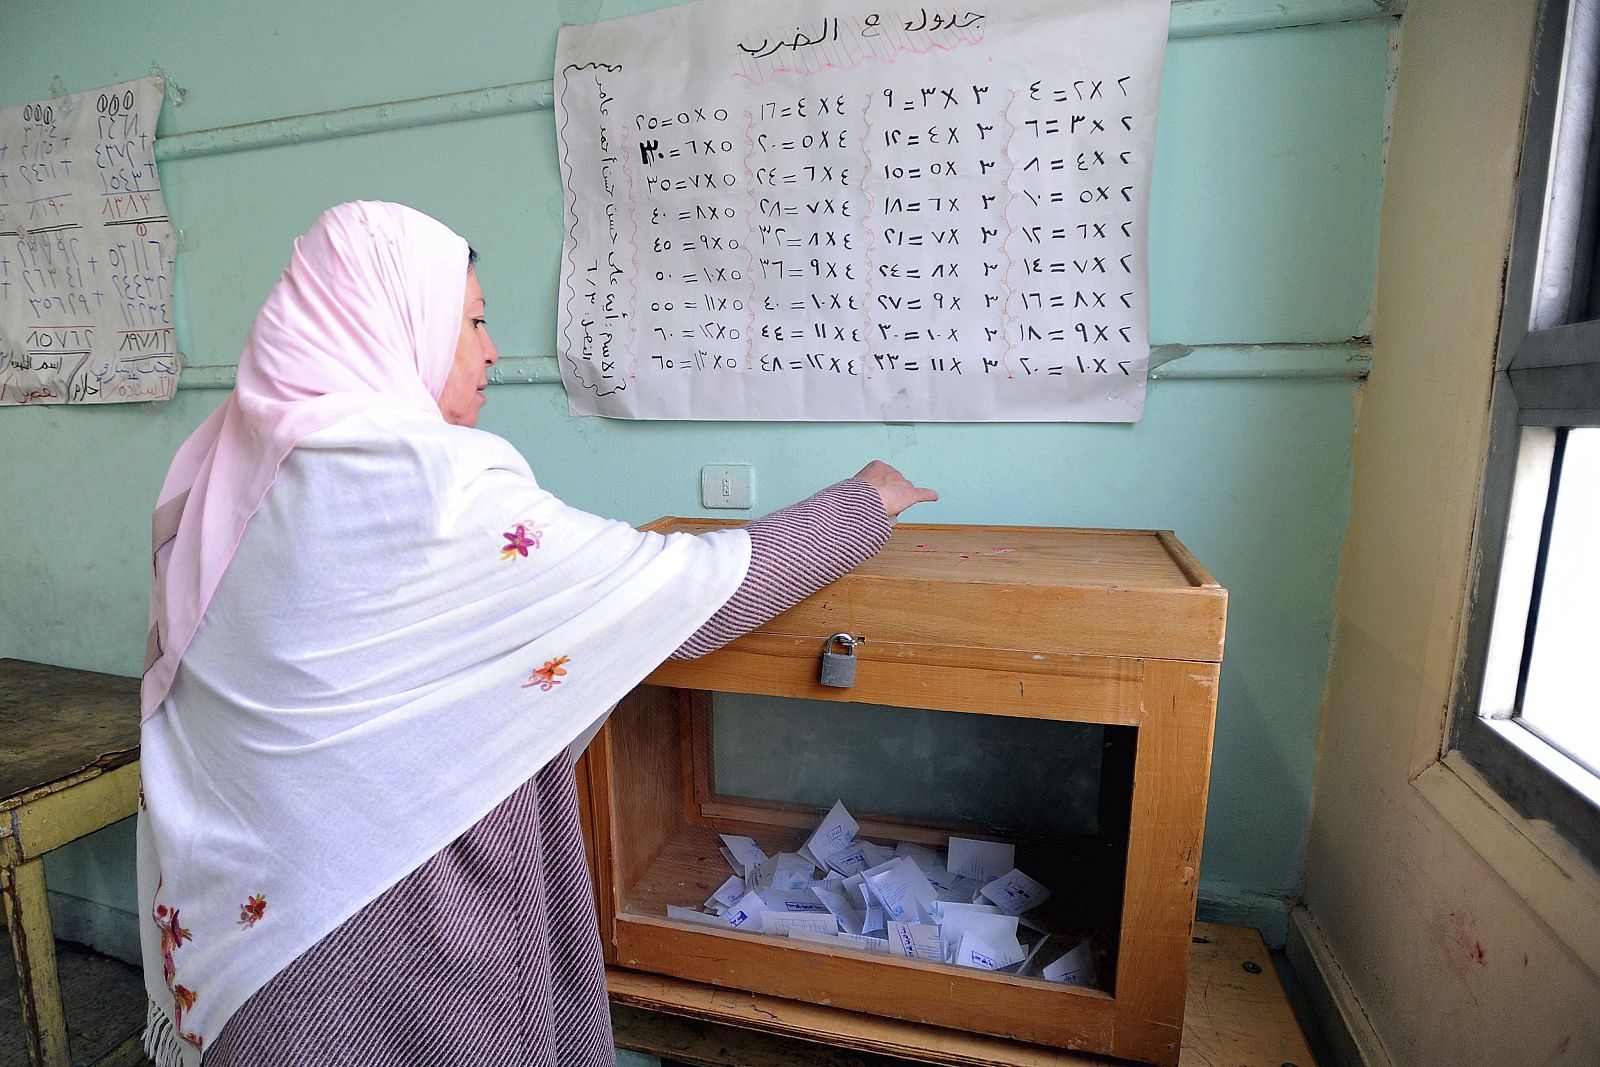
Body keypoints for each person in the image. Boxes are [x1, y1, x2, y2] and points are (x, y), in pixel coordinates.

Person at [136, 200, 936, 1067]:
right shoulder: (425, 482)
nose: (492, 351)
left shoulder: (227, 467)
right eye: (472, 322)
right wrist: (863, 505)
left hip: (254, 928)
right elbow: (678, 593)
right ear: (398, 324)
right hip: (387, 931)